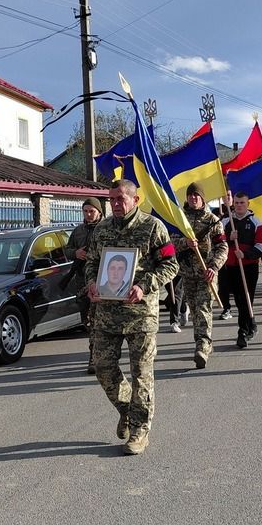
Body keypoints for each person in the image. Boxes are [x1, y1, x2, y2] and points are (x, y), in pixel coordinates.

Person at [86, 179, 180, 455]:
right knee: (103, 367)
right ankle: (127, 409)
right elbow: (92, 262)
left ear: (135, 200)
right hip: (107, 314)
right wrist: (92, 282)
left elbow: (170, 264)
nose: (115, 204)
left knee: (141, 374)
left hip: (140, 314)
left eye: (120, 199)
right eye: (112, 199)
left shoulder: (153, 227)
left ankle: (139, 431)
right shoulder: (101, 230)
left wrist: (145, 285)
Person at [174, 183, 228, 368]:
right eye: (190, 195)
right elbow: (169, 242)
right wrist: (184, 242)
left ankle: (202, 346)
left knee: (204, 308)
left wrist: (214, 267)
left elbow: (222, 246)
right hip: (187, 273)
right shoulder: (180, 219)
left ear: (203, 198)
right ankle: (203, 342)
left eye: (196, 195)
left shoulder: (213, 221)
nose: (193, 198)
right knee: (195, 310)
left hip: (207, 274)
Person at [220, 192, 262, 348]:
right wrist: (228, 237)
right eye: (237, 203)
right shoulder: (226, 221)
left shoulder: (256, 222)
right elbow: (218, 243)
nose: (239, 205)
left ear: (248, 204)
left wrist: (245, 254)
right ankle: (251, 322)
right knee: (239, 300)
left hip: (249, 266)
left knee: (247, 298)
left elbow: (261, 246)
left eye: (242, 203)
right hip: (231, 267)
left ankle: (243, 332)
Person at [64, 197, 103, 374]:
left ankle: (94, 357)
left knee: (97, 321)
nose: (88, 215)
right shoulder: (78, 231)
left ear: (99, 212)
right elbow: (67, 249)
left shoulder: (104, 229)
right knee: (87, 321)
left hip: (100, 280)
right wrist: (76, 253)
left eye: (91, 211)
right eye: (85, 211)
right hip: (81, 281)